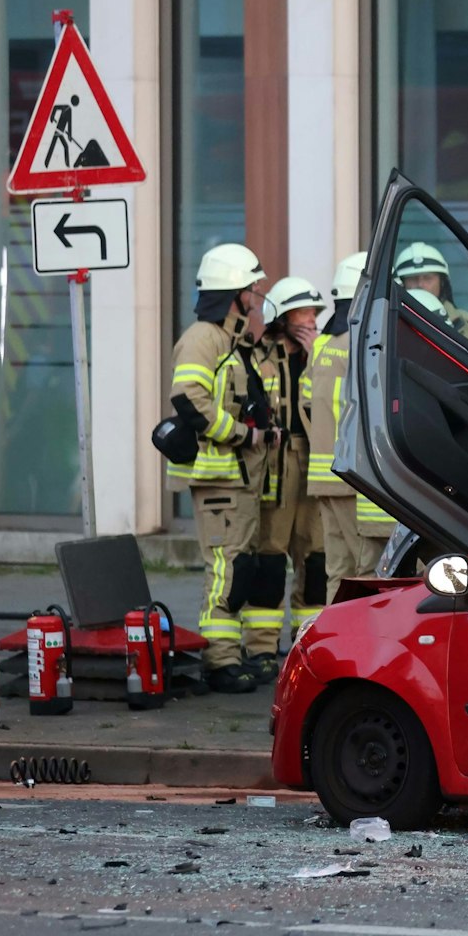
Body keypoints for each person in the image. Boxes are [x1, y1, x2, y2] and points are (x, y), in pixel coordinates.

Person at [167, 242, 269, 694]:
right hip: (219, 478)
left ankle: (229, 653)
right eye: (253, 290)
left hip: (239, 480)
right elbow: (188, 397)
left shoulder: (233, 340)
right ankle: (219, 660)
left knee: (239, 568)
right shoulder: (203, 338)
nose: (257, 298)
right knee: (226, 571)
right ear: (235, 293)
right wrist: (242, 434)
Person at [241, 276, 328, 682]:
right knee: (270, 558)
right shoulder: (258, 358)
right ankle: (260, 650)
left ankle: (307, 645)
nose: (311, 319)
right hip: (276, 463)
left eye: (314, 312)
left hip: (315, 460)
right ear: (281, 316)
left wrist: (316, 358)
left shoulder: (325, 355)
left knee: (315, 558)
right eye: (303, 312)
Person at [308, 251, 395, 597]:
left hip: (324, 477)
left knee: (337, 572)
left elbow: (306, 404)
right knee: (365, 571)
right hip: (353, 477)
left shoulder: (322, 345)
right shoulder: (364, 343)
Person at [392, 242, 468, 364]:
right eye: (413, 279)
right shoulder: (389, 323)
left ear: (442, 282)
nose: (421, 285)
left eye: (428, 278)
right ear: (401, 284)